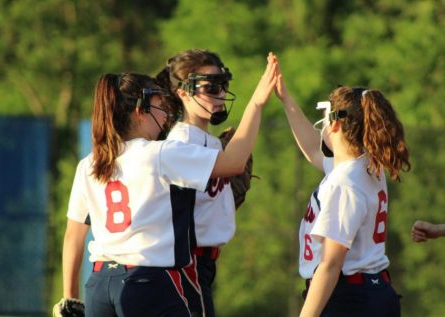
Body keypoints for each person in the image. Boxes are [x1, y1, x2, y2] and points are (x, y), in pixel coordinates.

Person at [56, 57, 278, 317]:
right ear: (140, 111)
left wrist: (70, 298)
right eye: (160, 106)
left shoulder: (90, 163)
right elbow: (234, 163)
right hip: (146, 282)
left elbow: (73, 235)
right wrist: (258, 102)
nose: (165, 115)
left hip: (98, 284)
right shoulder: (160, 153)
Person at [274, 63, 411, 317]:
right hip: (372, 292)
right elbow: (314, 151)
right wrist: (286, 99)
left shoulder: (344, 182)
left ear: (336, 124)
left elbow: (330, 264)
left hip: (349, 298)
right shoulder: (366, 166)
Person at [156, 49, 273, 317]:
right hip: (185, 262)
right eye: (210, 87)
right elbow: (234, 164)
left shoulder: (209, 140)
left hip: (203, 263)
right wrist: (256, 103)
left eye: (222, 86)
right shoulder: (181, 142)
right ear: (183, 92)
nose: (220, 94)